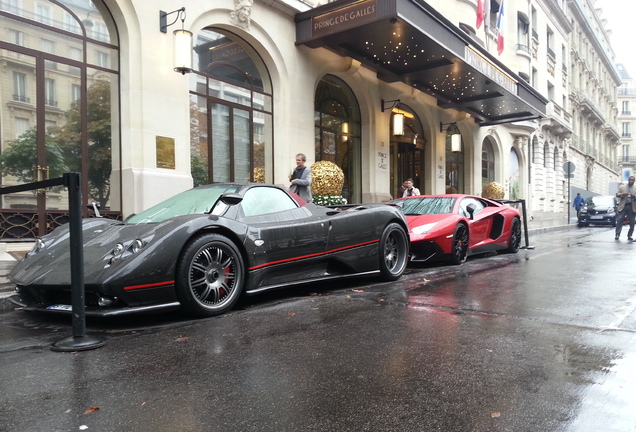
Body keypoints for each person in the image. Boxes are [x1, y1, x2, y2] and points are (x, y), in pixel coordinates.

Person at [615, 175, 636, 240]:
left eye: (633, 180)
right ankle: (617, 234)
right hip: (623, 206)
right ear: (628, 180)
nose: (631, 181)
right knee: (619, 220)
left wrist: (634, 195)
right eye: (630, 180)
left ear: (634, 181)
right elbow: (617, 194)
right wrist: (623, 194)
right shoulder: (622, 187)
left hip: (632, 206)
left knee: (632, 222)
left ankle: (629, 235)